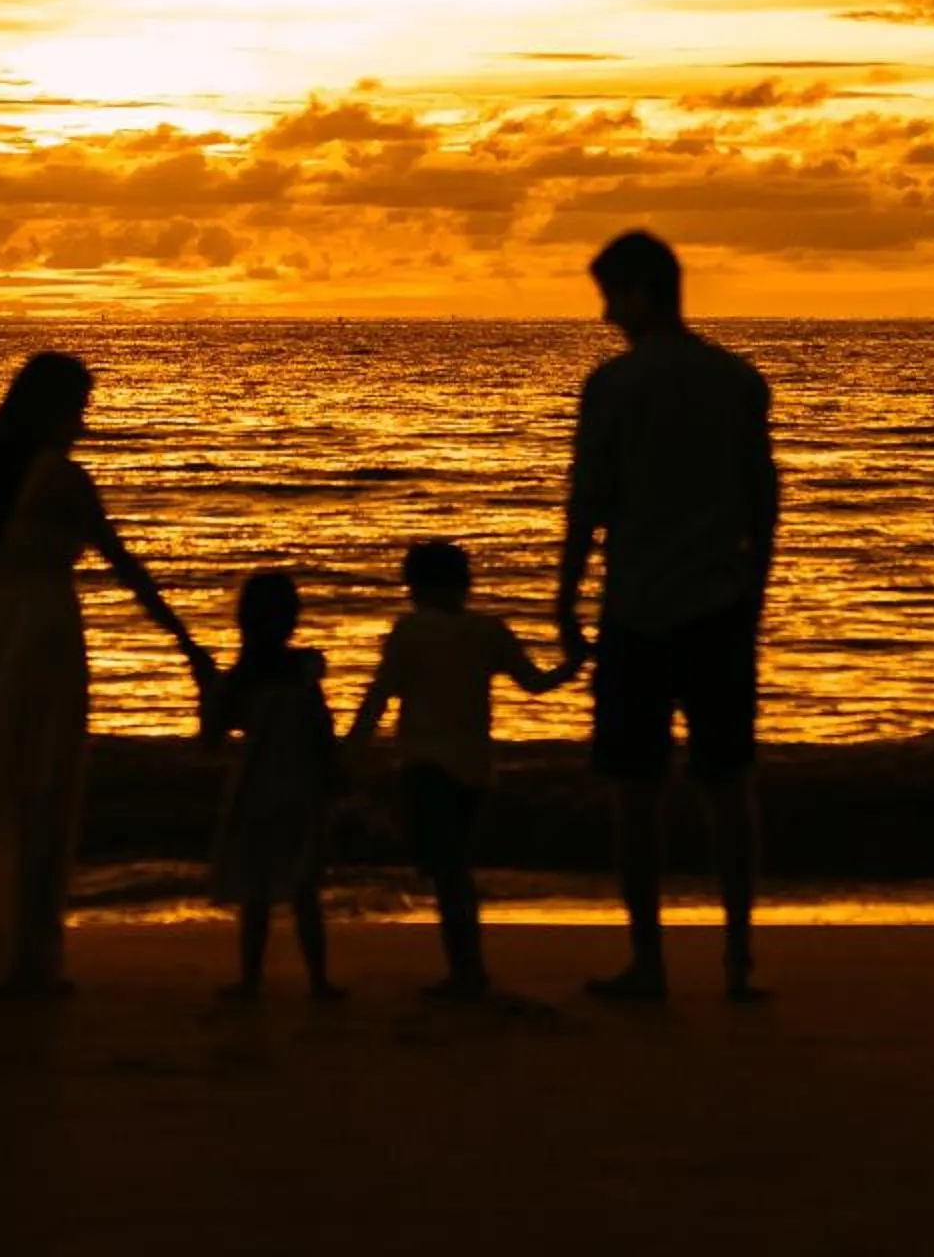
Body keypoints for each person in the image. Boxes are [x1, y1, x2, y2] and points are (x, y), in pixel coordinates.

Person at [0, 352, 208, 996]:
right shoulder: (61, 479)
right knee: (41, 788)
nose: (84, 422)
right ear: (53, 409)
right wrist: (187, 643)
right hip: (44, 637)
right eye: (80, 407)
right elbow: (123, 564)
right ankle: (26, 962)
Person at [554, 229, 779, 1003]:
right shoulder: (737, 382)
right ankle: (737, 962)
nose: (605, 314)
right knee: (727, 786)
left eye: (612, 296)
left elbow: (588, 503)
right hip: (720, 606)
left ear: (643, 293)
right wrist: (757, 591)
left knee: (636, 790)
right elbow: (764, 501)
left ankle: (648, 963)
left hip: (640, 611)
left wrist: (565, 598)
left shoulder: (613, 388)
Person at [345, 539, 582, 999]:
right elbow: (535, 684)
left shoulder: (410, 631)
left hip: (424, 764)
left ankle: (466, 972)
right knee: (455, 868)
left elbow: (379, 694)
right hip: (474, 769)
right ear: (463, 582)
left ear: (415, 585)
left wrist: (352, 748)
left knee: (446, 871)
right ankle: (467, 968)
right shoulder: (488, 630)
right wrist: (574, 663)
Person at [198, 569, 345, 1002]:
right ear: (291, 619)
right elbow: (321, 731)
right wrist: (337, 779)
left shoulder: (239, 680)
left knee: (256, 893)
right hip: (300, 787)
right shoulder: (302, 673)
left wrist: (206, 688)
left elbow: (211, 740)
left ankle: (251, 980)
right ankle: (319, 980)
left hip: (255, 787)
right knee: (304, 890)